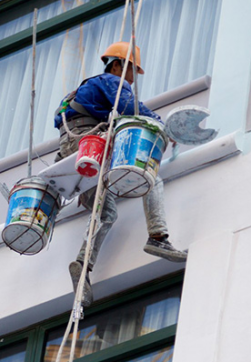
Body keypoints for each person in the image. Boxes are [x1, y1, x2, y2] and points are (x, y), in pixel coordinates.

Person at [54, 42, 187, 307]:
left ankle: (83, 265)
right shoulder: (110, 81)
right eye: (130, 72)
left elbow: (59, 120)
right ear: (116, 65)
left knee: (105, 213)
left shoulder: (77, 92)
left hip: (75, 153)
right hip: (92, 142)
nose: (131, 79)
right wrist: (161, 126)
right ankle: (158, 237)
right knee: (149, 175)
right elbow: (130, 107)